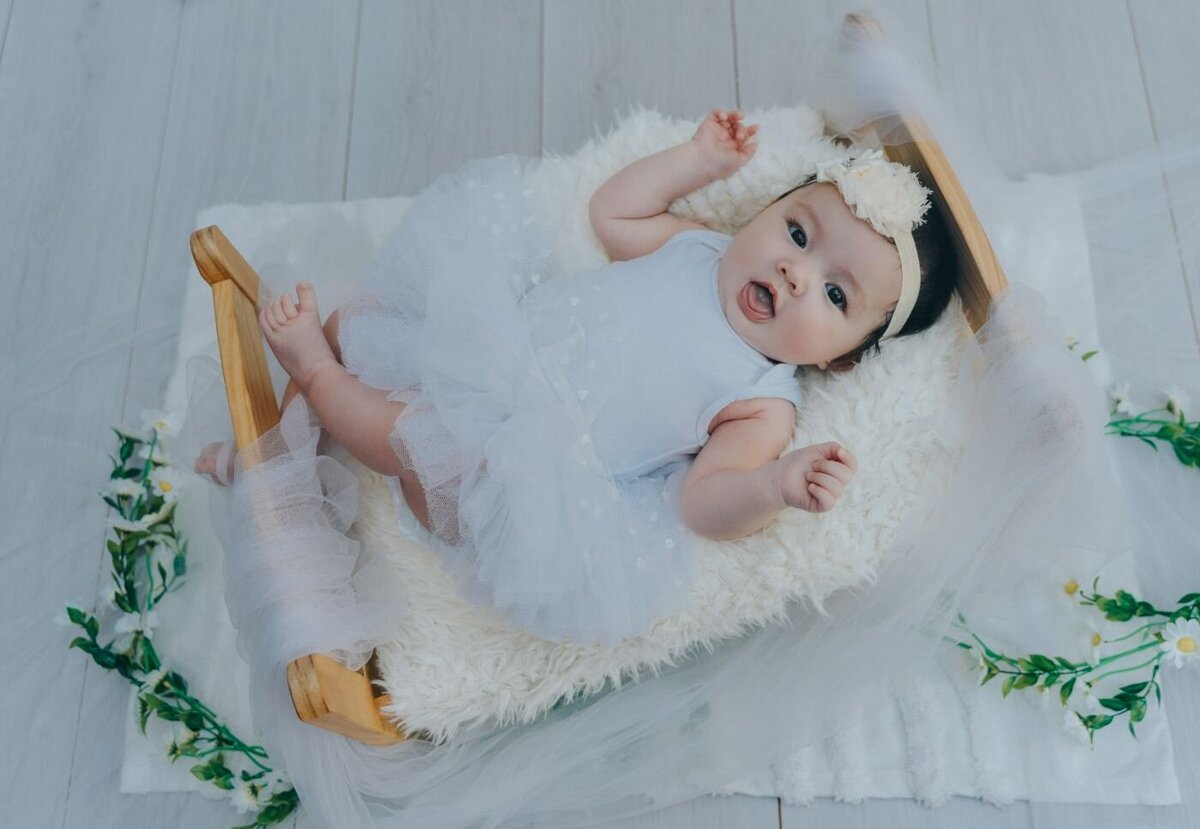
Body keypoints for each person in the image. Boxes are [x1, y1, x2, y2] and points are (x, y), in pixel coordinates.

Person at [197, 108, 956, 646]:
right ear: (762, 213)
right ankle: (271, 454)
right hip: (488, 347)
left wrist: (775, 483)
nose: (795, 272)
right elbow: (613, 213)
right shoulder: (699, 248)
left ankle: (313, 374)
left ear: (838, 359)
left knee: (405, 434)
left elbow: (702, 502)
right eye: (796, 232)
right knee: (364, 319)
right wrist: (696, 160)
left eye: (835, 295)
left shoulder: (763, 402)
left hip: (514, 463)